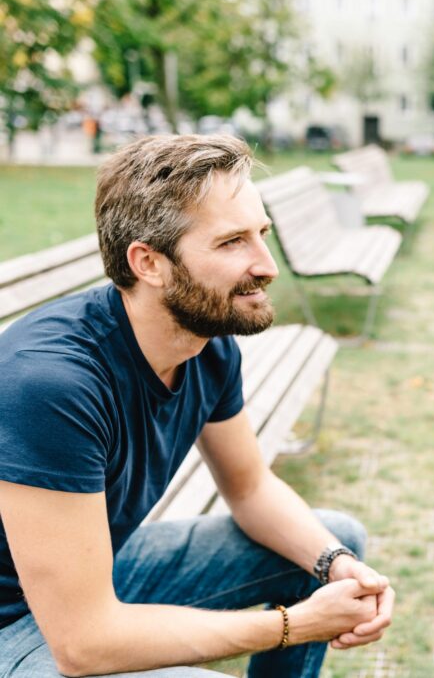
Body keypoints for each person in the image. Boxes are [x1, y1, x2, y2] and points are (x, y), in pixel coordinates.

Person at [0, 134, 394, 677]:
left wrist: (338, 566)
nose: (267, 265)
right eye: (232, 242)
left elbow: (250, 487)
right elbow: (83, 642)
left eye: (263, 235)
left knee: (334, 542)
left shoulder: (206, 343)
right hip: (17, 623)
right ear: (149, 263)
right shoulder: (51, 383)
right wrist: (296, 624)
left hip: (93, 572)